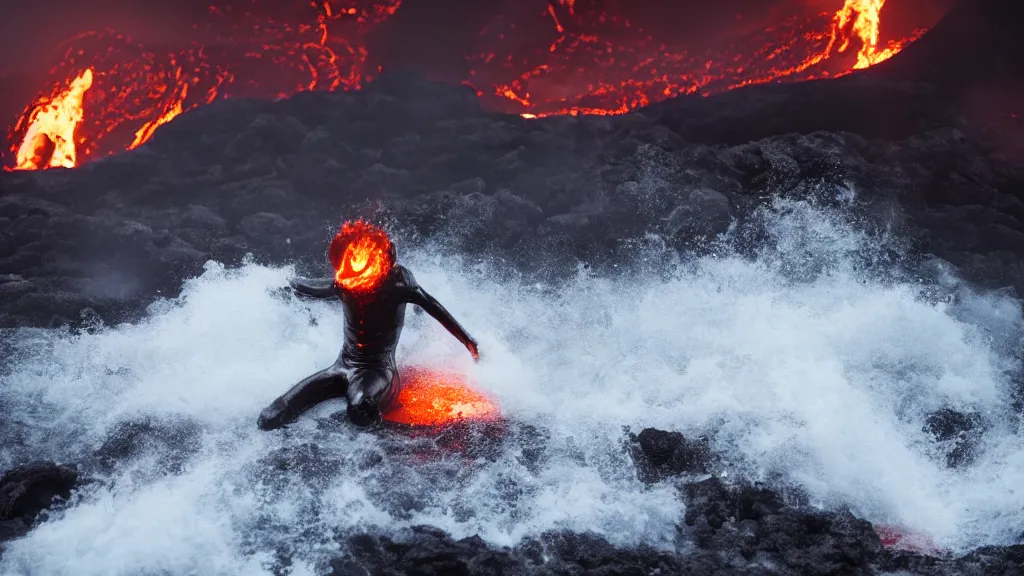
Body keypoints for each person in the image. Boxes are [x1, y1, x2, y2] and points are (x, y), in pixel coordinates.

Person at [257, 220, 479, 430]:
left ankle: (381, 447)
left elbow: (435, 308)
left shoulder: (399, 281)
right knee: (271, 416)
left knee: (360, 409)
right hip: (342, 367)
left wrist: (469, 342)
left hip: (379, 372)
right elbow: (314, 288)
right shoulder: (348, 281)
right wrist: (283, 285)